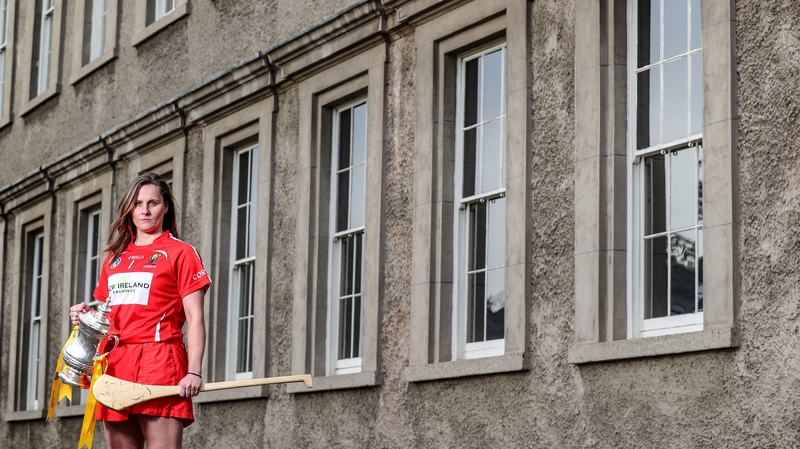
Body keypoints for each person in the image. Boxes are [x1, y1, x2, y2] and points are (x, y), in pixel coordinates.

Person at [69, 172, 211, 449]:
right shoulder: (114, 258)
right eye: (137, 204)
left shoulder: (181, 252)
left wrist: (194, 372)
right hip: (116, 363)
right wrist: (85, 316)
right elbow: (107, 316)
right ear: (129, 209)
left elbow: (196, 319)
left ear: (165, 206)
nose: (144, 211)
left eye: (153, 203)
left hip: (161, 361)